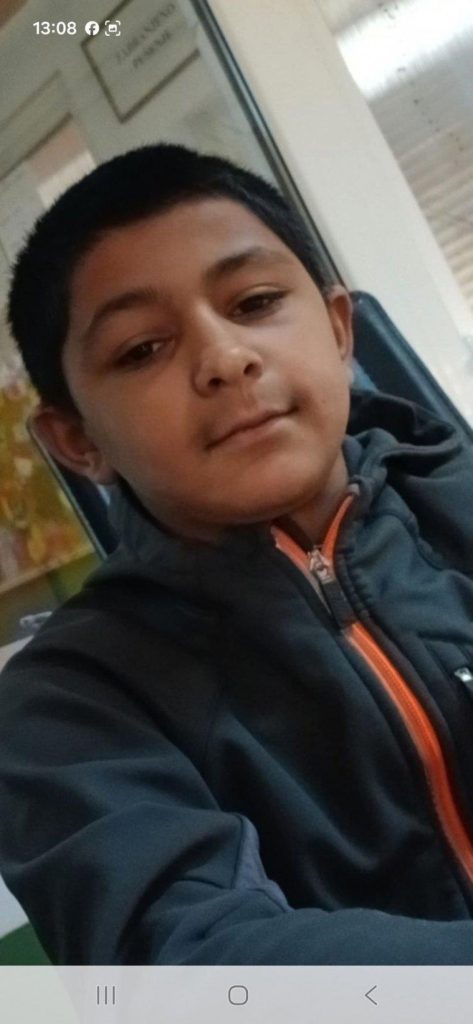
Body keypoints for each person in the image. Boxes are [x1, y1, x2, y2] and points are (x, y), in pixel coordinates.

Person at [1, 143, 473, 967]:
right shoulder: (68, 700)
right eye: (141, 349)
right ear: (77, 441)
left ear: (337, 329)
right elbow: (195, 961)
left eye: (254, 302)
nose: (224, 358)